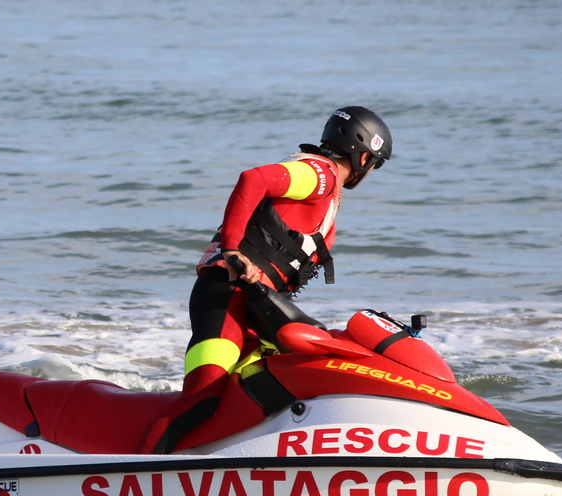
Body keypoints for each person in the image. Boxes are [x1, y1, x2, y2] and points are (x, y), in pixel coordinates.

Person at [141, 106, 393, 454]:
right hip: (226, 298)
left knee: (270, 394)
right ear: (364, 156)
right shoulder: (319, 174)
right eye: (374, 165)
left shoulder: (327, 194)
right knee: (200, 400)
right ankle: (136, 473)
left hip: (254, 312)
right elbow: (253, 179)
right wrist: (231, 250)